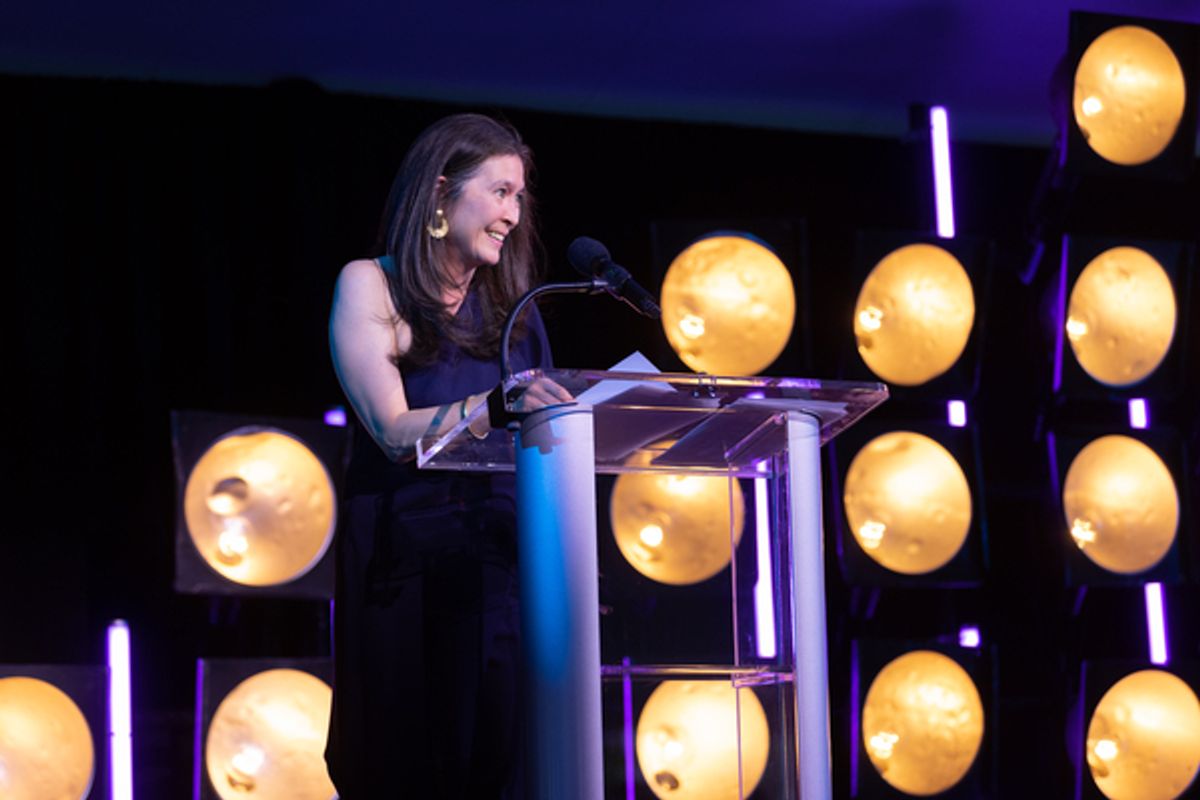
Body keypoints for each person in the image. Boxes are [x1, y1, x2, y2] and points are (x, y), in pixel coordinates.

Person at [325, 113, 573, 799]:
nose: (512, 215)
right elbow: (392, 428)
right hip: (406, 569)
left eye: (519, 197)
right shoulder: (370, 286)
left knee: (504, 767)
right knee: (412, 764)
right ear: (441, 193)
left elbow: (549, 442)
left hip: (503, 573)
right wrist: (492, 407)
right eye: (498, 192)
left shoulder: (518, 317)